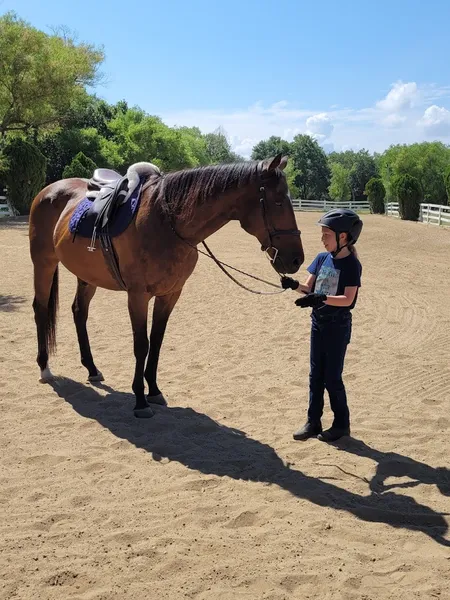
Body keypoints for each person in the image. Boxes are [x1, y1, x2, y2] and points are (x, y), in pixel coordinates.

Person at [281, 208, 363, 442]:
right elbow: (308, 288)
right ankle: (313, 421)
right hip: (318, 324)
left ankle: (341, 424)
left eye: (326, 235)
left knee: (332, 377)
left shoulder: (351, 265)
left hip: (338, 327)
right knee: (315, 374)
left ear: (343, 237)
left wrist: (321, 298)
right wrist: (293, 284)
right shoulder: (321, 259)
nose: (322, 239)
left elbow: (348, 300)